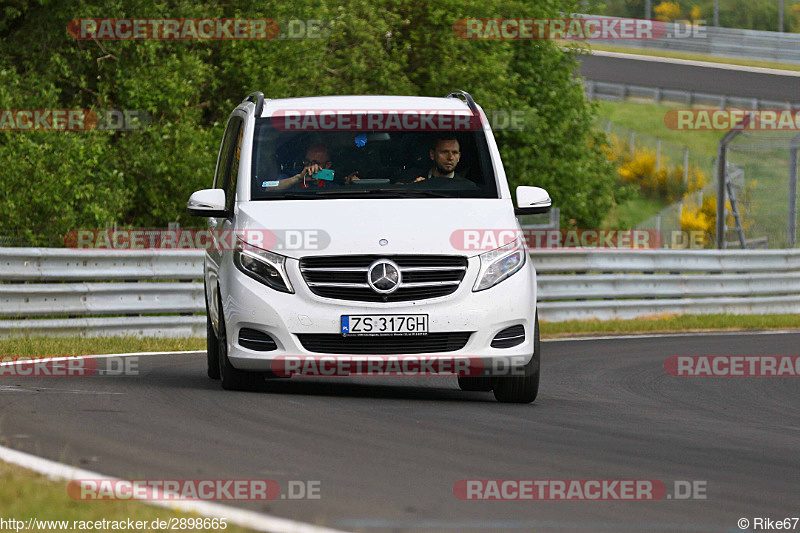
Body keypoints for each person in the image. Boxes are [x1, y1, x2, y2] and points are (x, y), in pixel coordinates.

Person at [270, 143, 358, 191]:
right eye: (307, 161)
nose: (310, 166)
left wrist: (351, 186)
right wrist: (299, 178)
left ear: (327, 165)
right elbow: (269, 188)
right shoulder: (290, 177)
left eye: (315, 163)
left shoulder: (333, 185)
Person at [395, 135, 465, 184]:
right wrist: (412, 188)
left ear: (459, 156)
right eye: (444, 152)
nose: (450, 157)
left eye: (454, 153)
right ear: (432, 154)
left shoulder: (466, 187)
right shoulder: (411, 177)